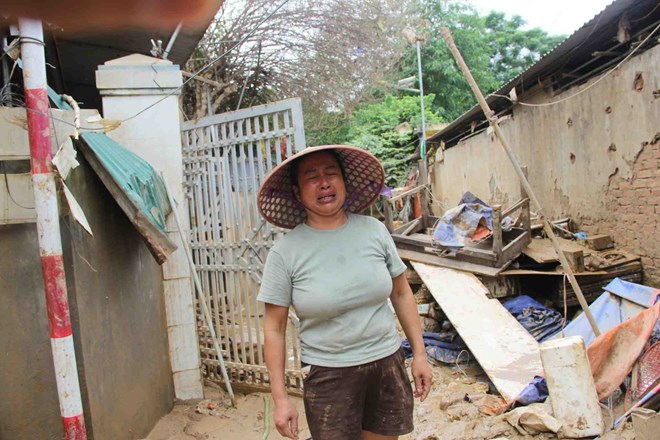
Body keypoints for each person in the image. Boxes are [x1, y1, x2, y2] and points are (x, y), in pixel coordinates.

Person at [256, 145, 432, 440]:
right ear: (298, 193)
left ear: (344, 183)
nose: (323, 183)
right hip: (330, 376)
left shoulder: (374, 231)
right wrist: (281, 399)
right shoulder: (285, 252)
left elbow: (401, 294)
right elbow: (274, 327)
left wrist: (420, 355)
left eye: (331, 173)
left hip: (386, 364)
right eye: (311, 177)